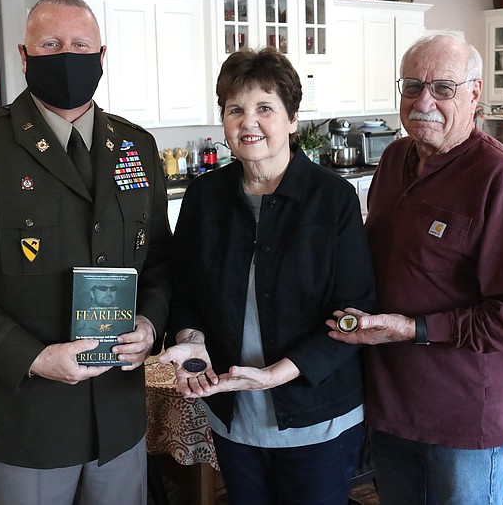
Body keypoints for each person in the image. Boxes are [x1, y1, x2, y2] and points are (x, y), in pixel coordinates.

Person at [0, 0, 172, 505]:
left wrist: (150, 325)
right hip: (23, 418)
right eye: (51, 44)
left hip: (118, 416)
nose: (67, 56)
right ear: (24, 54)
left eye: (80, 45)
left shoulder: (136, 147)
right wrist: (34, 358)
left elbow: (161, 264)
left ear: (102, 57)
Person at [327, 31, 503, 505]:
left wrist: (414, 328)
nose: (423, 101)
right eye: (412, 86)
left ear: (474, 92)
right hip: (388, 402)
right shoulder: (393, 159)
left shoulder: (500, 177)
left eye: (443, 88)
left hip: (461, 413)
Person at [159, 47, 376, 505]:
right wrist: (191, 336)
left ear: (292, 120)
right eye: (235, 109)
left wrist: (280, 373)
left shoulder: (333, 199)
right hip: (233, 411)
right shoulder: (204, 197)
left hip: (318, 412)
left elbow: (356, 310)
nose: (248, 122)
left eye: (265, 108)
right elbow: (185, 288)